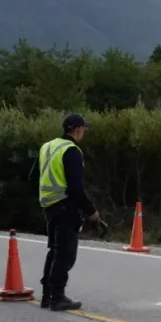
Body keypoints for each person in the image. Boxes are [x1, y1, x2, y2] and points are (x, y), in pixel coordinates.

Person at [28, 113, 99, 311]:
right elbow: (77, 188)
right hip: (66, 206)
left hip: (49, 206)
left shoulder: (47, 147)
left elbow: (33, 178)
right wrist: (91, 211)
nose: (84, 132)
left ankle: (47, 296)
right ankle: (57, 297)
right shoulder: (72, 151)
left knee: (54, 250)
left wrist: (46, 195)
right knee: (65, 254)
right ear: (77, 129)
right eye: (83, 129)